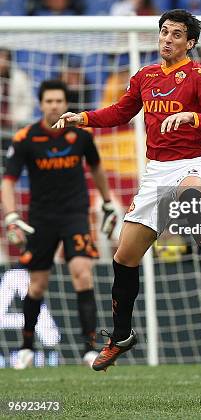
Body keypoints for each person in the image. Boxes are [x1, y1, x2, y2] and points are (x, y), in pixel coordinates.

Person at [54, 9, 201, 371]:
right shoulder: (145, 77)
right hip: (156, 173)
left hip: (192, 164)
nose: (167, 39)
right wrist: (83, 118)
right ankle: (121, 336)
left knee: (191, 195)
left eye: (176, 35)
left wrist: (192, 116)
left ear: (190, 43)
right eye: (164, 32)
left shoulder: (200, 77)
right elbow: (121, 112)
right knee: (124, 258)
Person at [1, 80, 119, 369]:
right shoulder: (26, 138)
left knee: (82, 274)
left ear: (66, 104)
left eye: (59, 101)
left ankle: (89, 349)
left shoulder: (80, 136)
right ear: (41, 104)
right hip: (40, 219)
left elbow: (97, 168)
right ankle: (26, 348)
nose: (54, 105)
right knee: (37, 285)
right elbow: (8, 181)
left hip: (75, 215)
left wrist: (106, 202)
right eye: (49, 101)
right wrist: (11, 216)